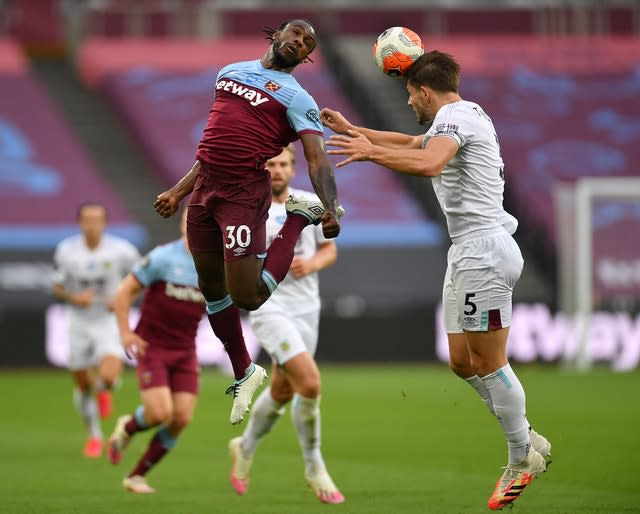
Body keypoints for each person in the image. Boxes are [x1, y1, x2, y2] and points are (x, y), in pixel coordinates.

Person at [321, 50, 551, 511]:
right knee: (461, 362)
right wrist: (355, 132)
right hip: (467, 251)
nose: (408, 103)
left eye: (410, 95)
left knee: (488, 361)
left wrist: (370, 153)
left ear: (425, 91)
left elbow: (429, 163)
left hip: (483, 251)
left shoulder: (454, 119)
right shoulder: (460, 117)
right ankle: (524, 436)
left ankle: (520, 455)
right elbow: (415, 145)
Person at [153, 19, 343, 426]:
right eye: (295, 32)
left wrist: (331, 205)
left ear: (307, 56)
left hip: (243, 193)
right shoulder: (230, 72)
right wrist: (177, 191)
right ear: (276, 34)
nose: (299, 40)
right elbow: (214, 146)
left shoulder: (297, 97)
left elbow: (317, 158)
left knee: (250, 297)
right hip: (206, 188)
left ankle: (296, 218)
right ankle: (244, 372)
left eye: (308, 41)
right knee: (210, 286)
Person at [228, 145, 344, 504]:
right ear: (261, 168)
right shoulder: (248, 209)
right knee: (309, 383)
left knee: (282, 391)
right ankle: (314, 466)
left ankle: (244, 447)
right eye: (271, 164)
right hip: (268, 307)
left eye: (283, 164)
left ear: (293, 168)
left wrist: (312, 264)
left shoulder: (310, 202)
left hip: (306, 307)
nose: (276, 170)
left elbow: (330, 249)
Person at [107, 208, 203, 493]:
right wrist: (126, 333)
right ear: (182, 225)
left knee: (181, 418)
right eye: (192, 220)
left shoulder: (216, 264)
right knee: (160, 413)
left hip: (186, 350)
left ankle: (135, 476)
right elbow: (124, 292)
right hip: (153, 347)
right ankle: (127, 428)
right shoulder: (163, 257)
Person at [51, 202, 140, 458]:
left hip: (108, 319)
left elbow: (142, 279)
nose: (92, 224)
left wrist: (122, 298)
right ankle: (94, 435)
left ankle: (104, 388)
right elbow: (57, 285)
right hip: (78, 319)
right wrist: (73, 297)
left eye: (97, 219)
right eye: (87, 220)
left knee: (110, 375)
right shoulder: (67, 250)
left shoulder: (121, 250)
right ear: (80, 222)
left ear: (104, 222)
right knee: (81, 382)